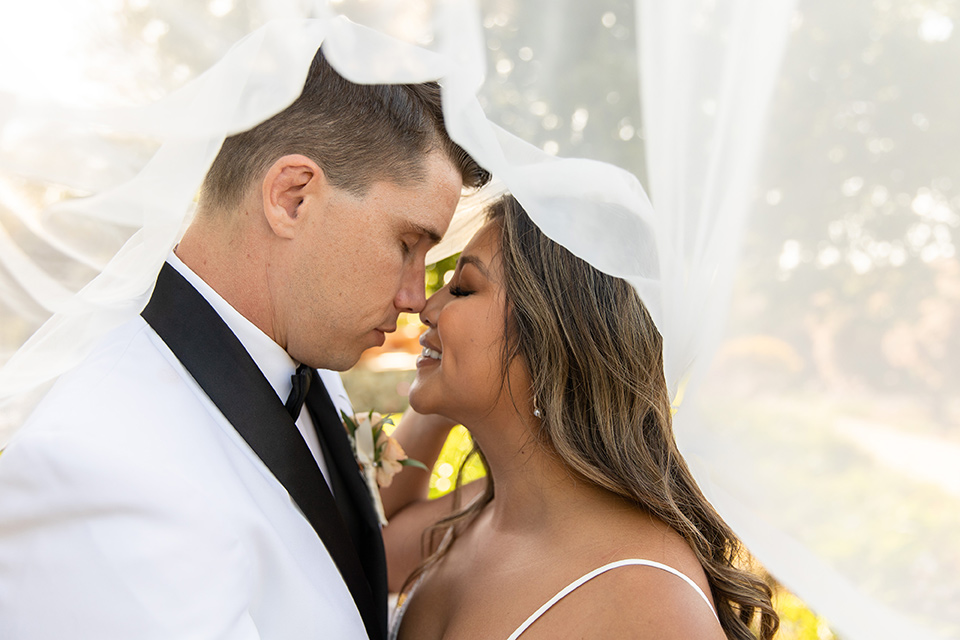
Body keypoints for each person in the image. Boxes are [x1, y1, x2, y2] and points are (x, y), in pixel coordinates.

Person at [0, 49, 488, 640]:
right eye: (408, 243)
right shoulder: (102, 466)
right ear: (292, 197)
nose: (416, 296)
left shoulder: (305, 362)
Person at [380, 195, 779, 639]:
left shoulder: (650, 597)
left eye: (462, 288)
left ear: (551, 334)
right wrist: (445, 384)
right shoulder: (484, 514)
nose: (427, 307)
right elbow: (373, 542)